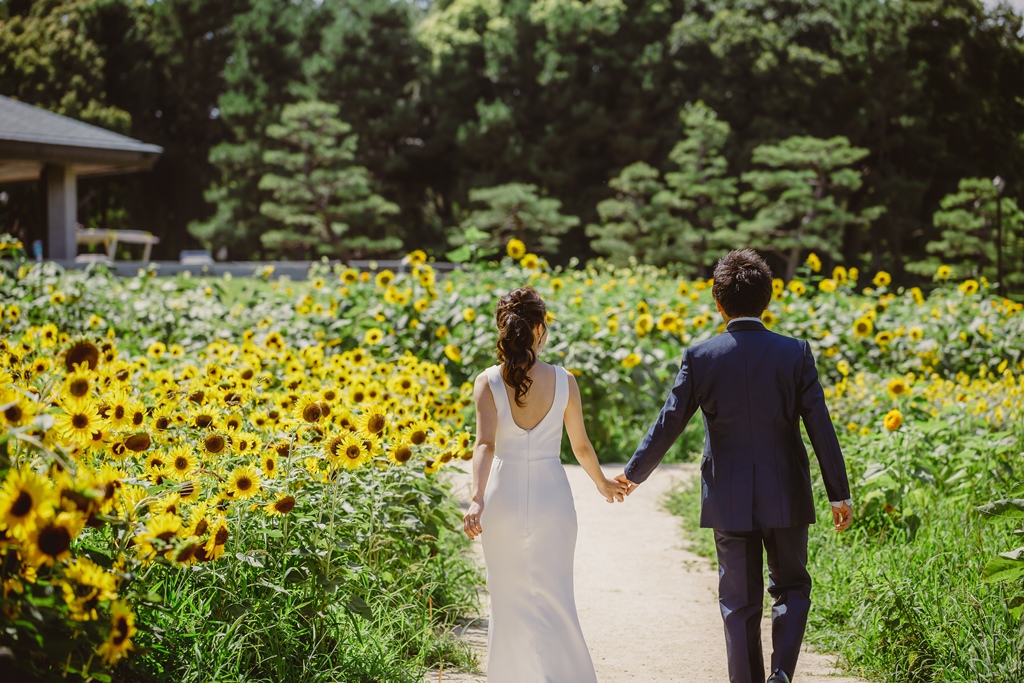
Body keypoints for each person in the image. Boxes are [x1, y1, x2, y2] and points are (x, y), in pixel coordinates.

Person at [616, 249, 853, 683]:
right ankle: (782, 675)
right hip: (786, 494)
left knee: (738, 602)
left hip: (728, 496)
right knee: (792, 588)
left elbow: (670, 421)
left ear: (717, 301)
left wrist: (633, 474)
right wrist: (839, 491)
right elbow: (821, 426)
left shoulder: (701, 357)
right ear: (768, 298)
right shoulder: (795, 353)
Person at [462, 285, 626, 683]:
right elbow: (581, 446)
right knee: (555, 593)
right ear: (539, 329)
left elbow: (484, 444)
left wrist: (476, 499)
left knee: (506, 596)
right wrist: (603, 483)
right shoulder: (564, 380)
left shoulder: (487, 381)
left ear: (504, 329)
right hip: (553, 494)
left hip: (503, 495)